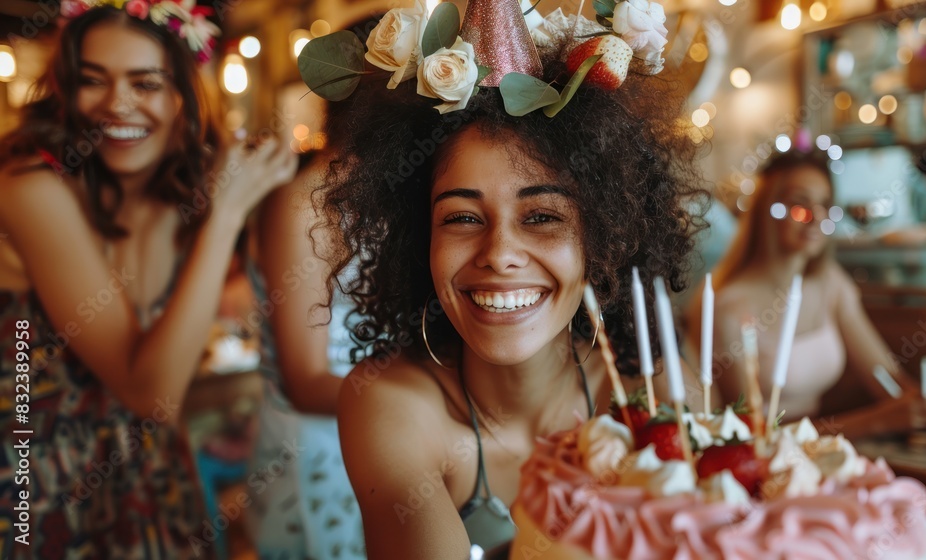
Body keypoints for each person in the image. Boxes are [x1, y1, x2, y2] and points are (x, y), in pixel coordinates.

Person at [304, 4, 705, 558]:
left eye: (542, 217)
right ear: (420, 239)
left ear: (605, 237)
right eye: (463, 218)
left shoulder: (658, 398)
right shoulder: (392, 405)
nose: (499, 255)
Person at [0, 3, 295, 557]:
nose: (117, 104)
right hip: (30, 476)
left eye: (146, 82)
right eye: (93, 80)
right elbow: (148, 389)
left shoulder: (173, 190)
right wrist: (226, 214)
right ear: (64, 88)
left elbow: (170, 354)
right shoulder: (29, 188)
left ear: (185, 91)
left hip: (147, 476)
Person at [684, 151, 926, 440]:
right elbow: (749, 437)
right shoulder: (726, 307)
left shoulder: (830, 283)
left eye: (825, 205)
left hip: (825, 450)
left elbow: (890, 383)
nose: (816, 217)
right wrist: (878, 421)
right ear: (767, 210)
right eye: (800, 206)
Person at [243, 148, 366, 560]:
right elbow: (305, 382)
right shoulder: (308, 200)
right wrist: (435, 396)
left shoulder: (404, 180)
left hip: (391, 434)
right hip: (320, 453)